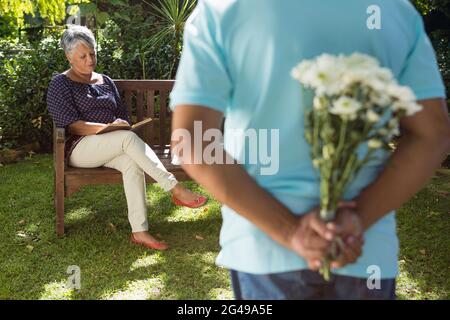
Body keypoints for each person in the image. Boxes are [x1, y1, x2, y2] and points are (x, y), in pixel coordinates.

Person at [170, 0, 450, 299]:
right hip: (362, 251)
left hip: (263, 251)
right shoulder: (394, 10)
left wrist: (290, 232)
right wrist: (357, 220)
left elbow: (193, 139)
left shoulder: (223, 8)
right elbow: (431, 135)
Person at [47, 25, 207, 251]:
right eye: (83, 56)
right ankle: (175, 188)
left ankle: (139, 231)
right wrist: (108, 128)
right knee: (127, 139)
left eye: (92, 53)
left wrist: (120, 125)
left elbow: (121, 115)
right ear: (68, 56)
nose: (90, 59)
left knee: (132, 162)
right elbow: (71, 124)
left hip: (112, 144)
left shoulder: (105, 81)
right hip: (80, 149)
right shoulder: (60, 84)